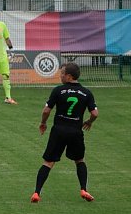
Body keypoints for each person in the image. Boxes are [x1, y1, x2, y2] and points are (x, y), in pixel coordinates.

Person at [31, 62, 98, 203]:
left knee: (48, 162)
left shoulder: (58, 90)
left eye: (62, 73)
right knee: (79, 160)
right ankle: (83, 189)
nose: (60, 76)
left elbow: (46, 110)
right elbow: (95, 113)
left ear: (68, 76)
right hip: (75, 132)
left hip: (58, 131)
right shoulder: (86, 93)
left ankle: (36, 193)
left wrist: (43, 123)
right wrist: (89, 122)